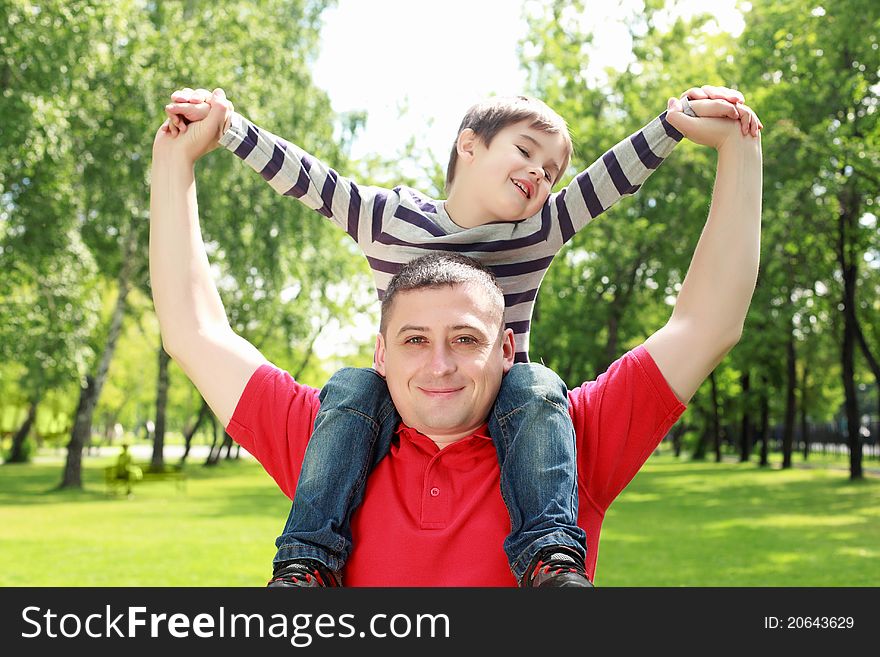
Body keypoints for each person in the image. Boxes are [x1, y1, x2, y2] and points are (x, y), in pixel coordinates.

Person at [154, 88, 761, 586]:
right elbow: (198, 325)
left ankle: (550, 561)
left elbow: (703, 321)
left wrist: (728, 142)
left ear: (503, 347)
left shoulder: (560, 443)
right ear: (382, 352)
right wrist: (191, 150)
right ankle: (305, 565)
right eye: (415, 339)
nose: (440, 364)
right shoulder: (334, 444)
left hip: (524, 425)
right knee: (351, 391)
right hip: (362, 416)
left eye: (467, 339)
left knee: (536, 386)